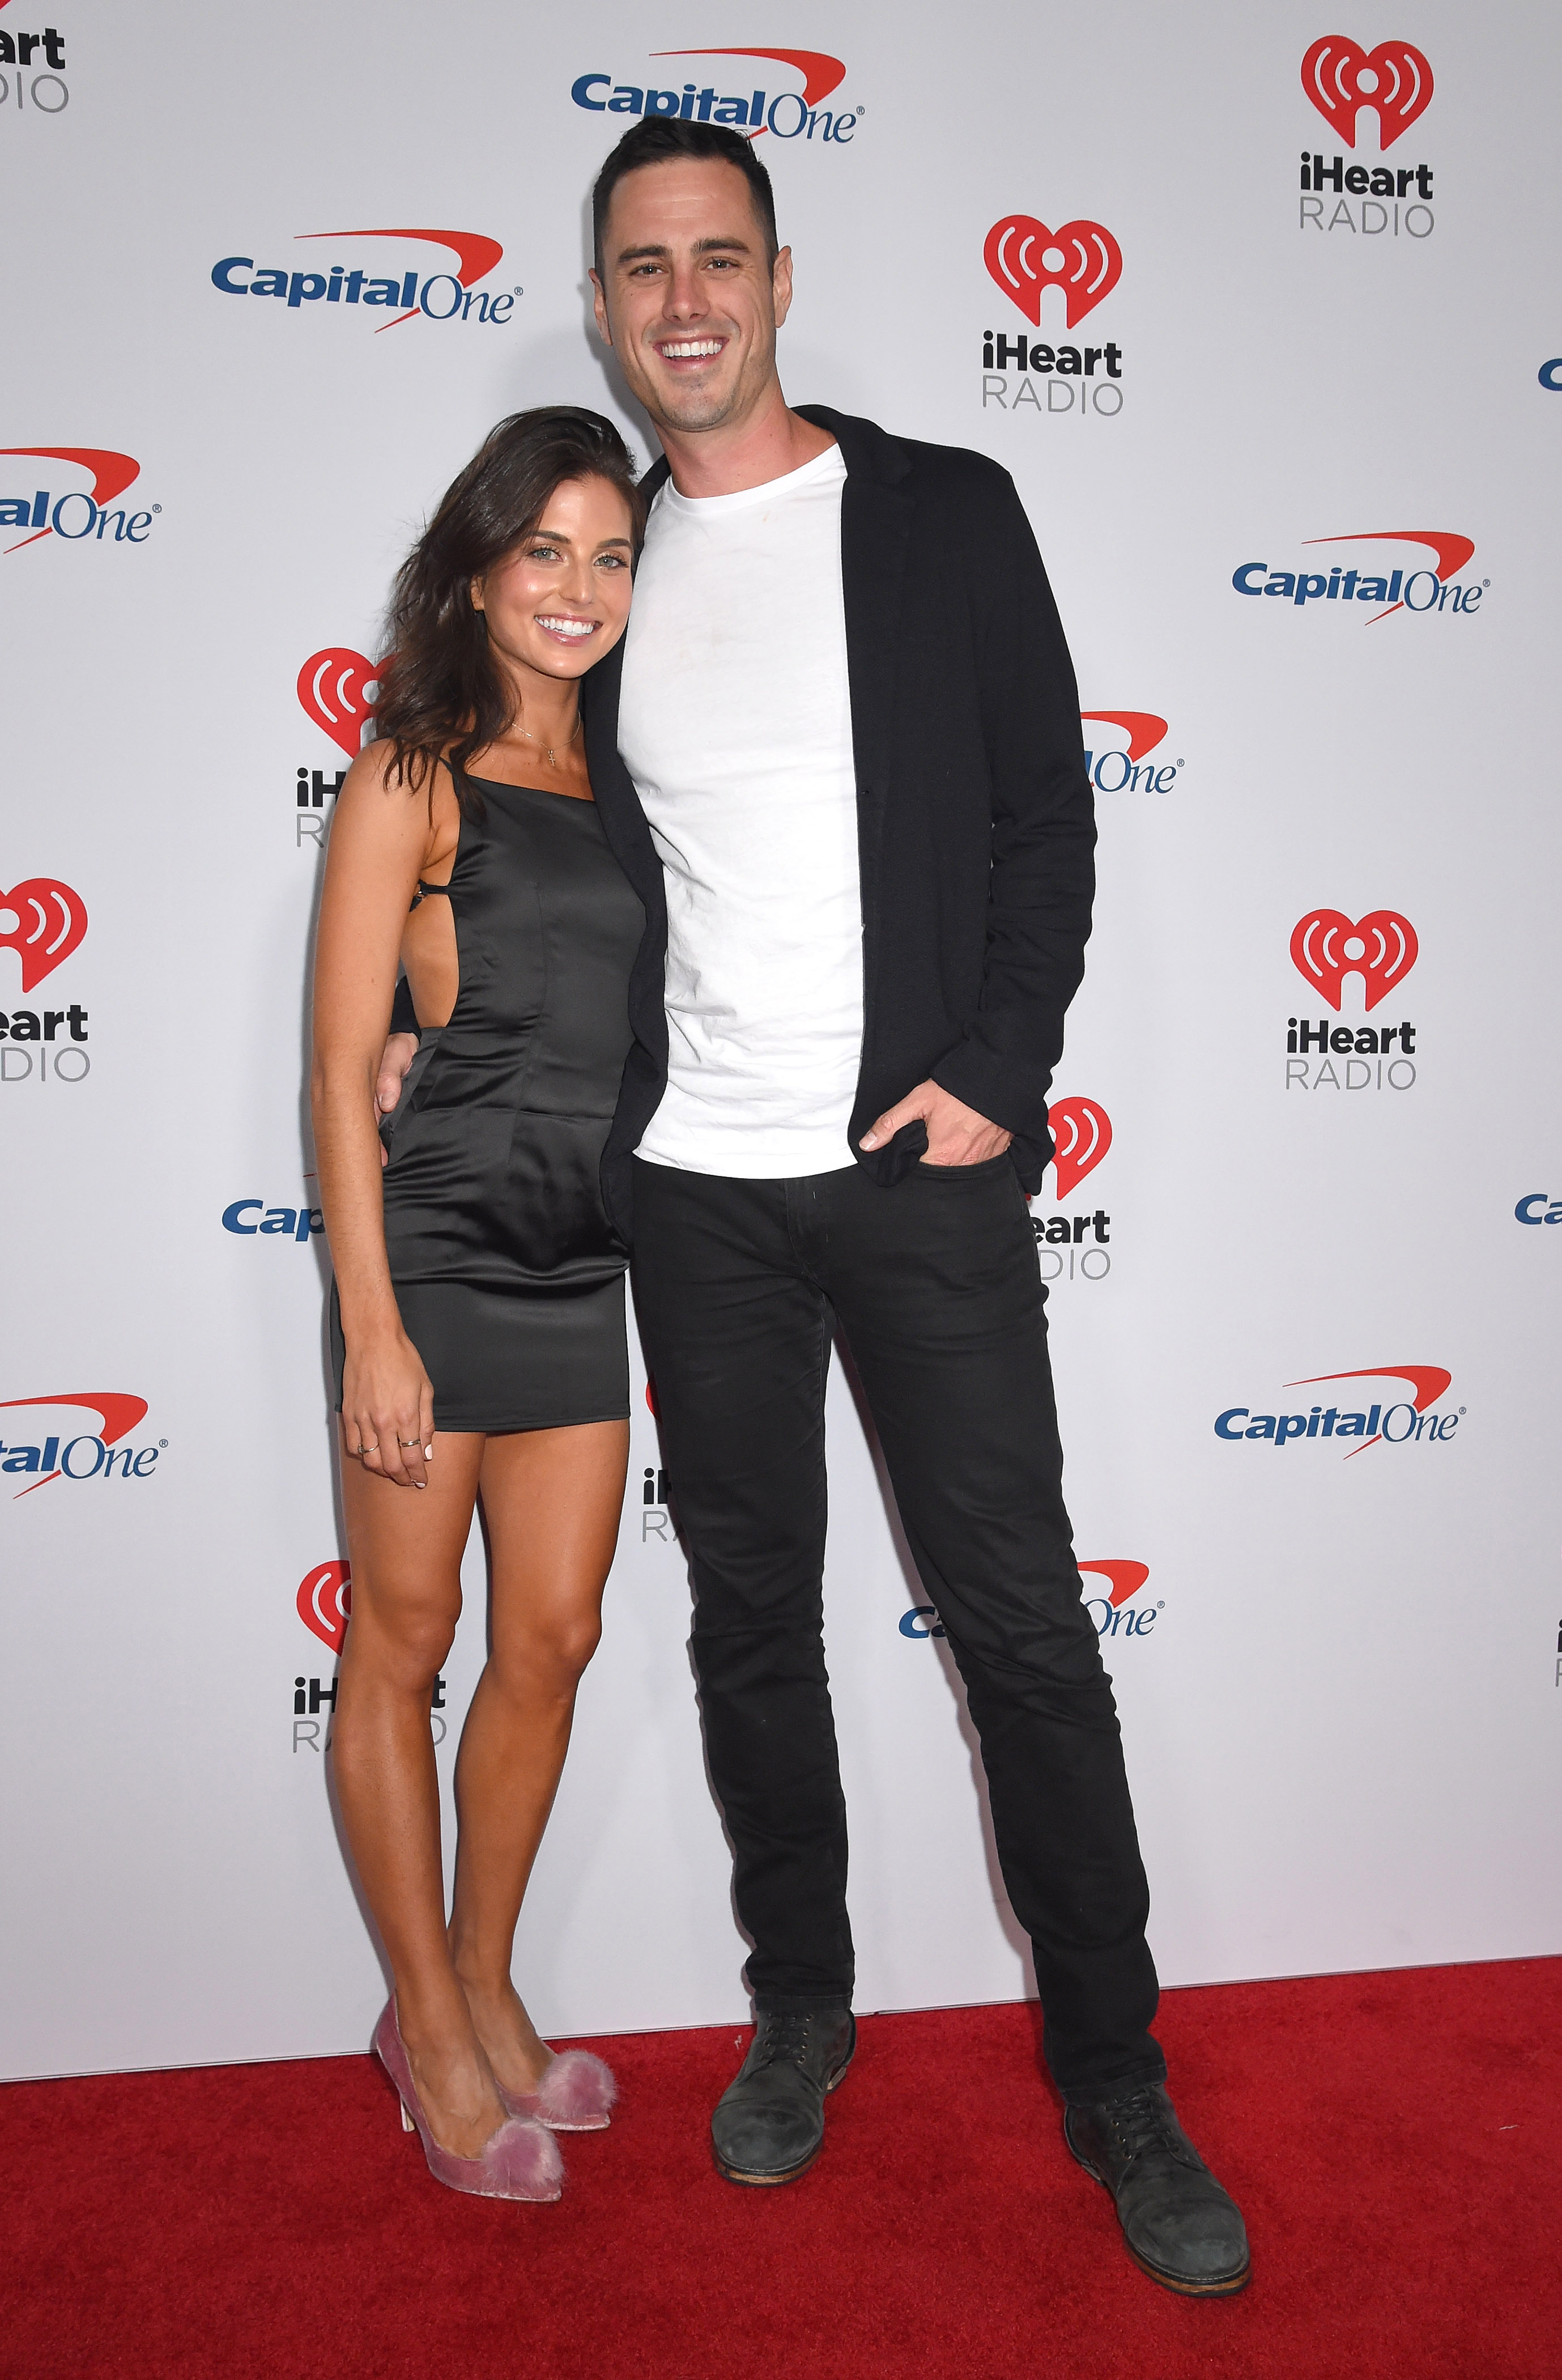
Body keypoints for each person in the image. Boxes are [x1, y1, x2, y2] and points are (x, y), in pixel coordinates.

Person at [378, 121, 1250, 2292]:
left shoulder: (945, 509)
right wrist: (428, 1023)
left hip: (915, 1175)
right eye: (642, 267)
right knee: (753, 1627)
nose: (683, 300)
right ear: (600, 305)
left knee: (1026, 1630)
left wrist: (999, 1073)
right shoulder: (612, 564)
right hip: (693, 1195)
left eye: (719, 259)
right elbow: (540, 856)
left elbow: (1048, 818)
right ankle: (801, 2006)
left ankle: (1118, 2078)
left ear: (778, 278)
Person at [311, 406, 646, 2202]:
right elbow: (331, 1070)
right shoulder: (409, 771)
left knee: (556, 1637)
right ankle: (424, 2021)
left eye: (609, 556)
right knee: (407, 1635)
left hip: (582, 1261)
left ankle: (490, 1970)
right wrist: (373, 1322)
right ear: (479, 567)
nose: (579, 589)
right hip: (434, 1255)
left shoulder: (636, 788)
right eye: (547, 552)